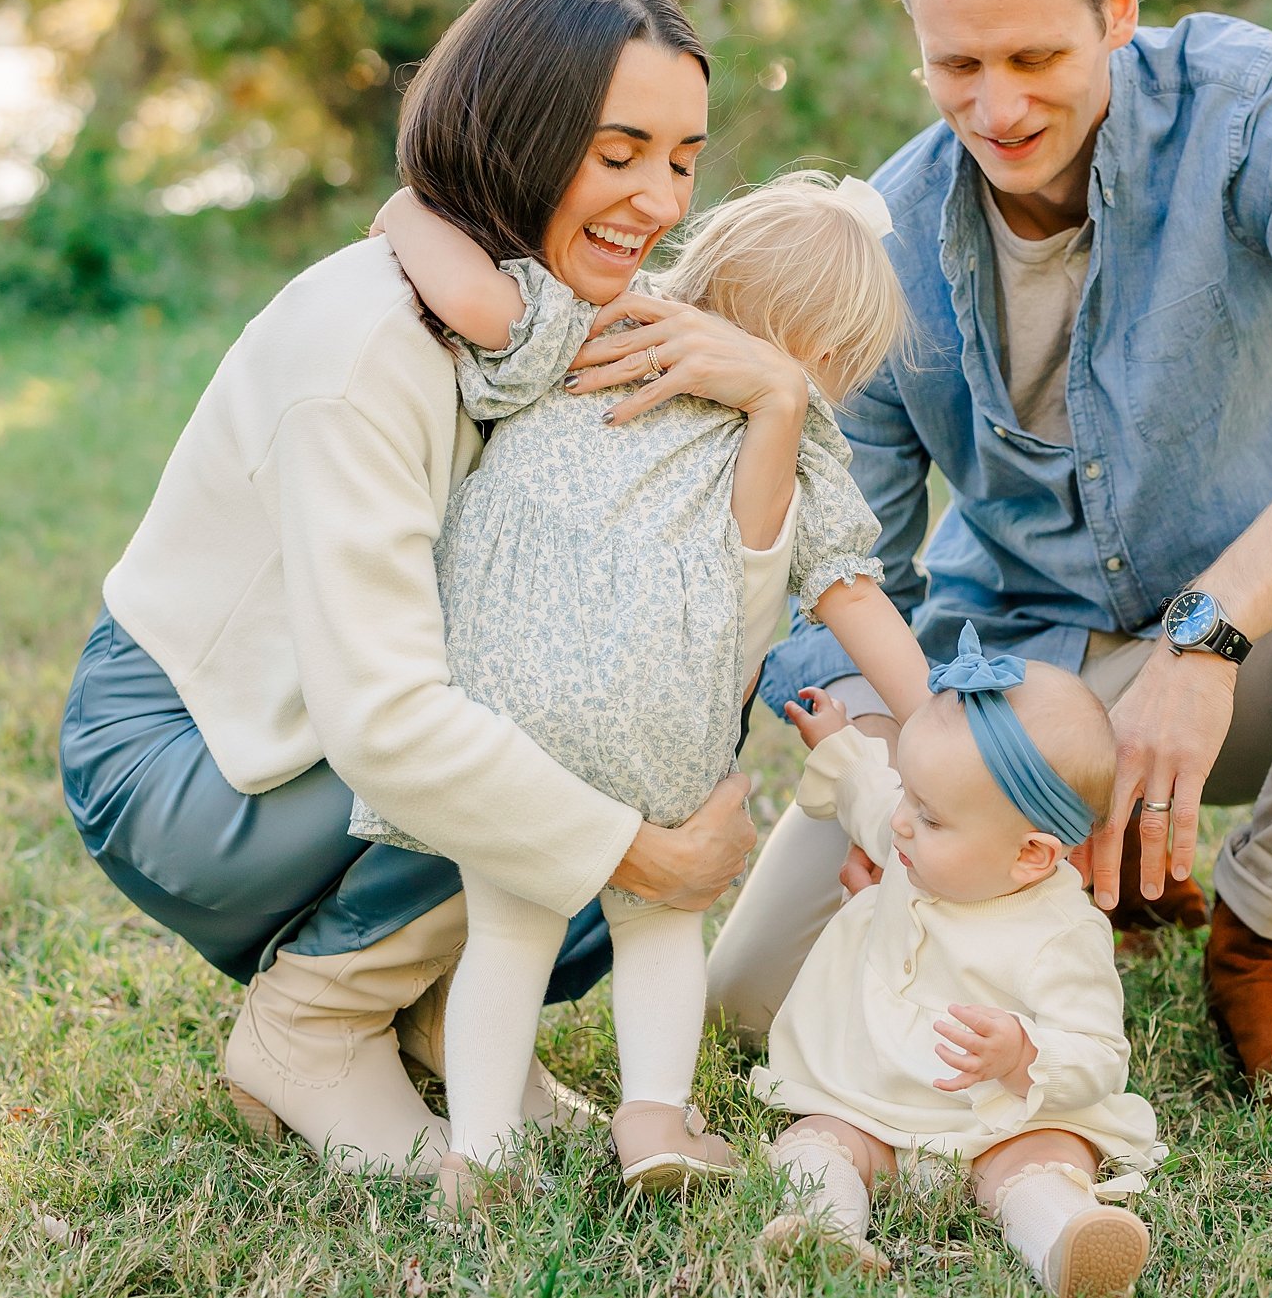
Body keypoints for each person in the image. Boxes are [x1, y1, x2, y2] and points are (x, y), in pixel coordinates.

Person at [709, 0, 1272, 1100]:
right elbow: (849, 562)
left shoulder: (1252, 105)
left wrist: (1207, 635)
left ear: (1116, 7)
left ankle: (1262, 938)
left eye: (1034, 53)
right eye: (956, 63)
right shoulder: (885, 235)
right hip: (1011, 675)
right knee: (758, 1002)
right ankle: (1080, 864)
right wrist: (896, 772)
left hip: (1253, 655)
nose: (996, 106)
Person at [58, 0, 809, 1173]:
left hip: (334, 731)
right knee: (562, 733)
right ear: (515, 135)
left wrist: (774, 394)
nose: (662, 203)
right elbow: (391, 723)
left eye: (681, 160)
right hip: (197, 752)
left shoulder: (554, 308)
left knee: (618, 705)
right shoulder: (360, 352)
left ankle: (446, 1020)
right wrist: (638, 851)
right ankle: (312, 1025)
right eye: (616, 155)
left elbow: (688, 625)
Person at [354, 173, 930, 1208]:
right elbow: (847, 592)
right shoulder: (793, 433)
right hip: (663, 702)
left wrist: (406, 212)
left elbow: (478, 304)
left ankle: (480, 1152)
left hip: (501, 674)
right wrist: (936, 722)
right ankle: (655, 1118)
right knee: (662, 915)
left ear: (701, 268)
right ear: (832, 359)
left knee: (507, 928)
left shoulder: (598, 322)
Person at [755, 626, 1160, 1298]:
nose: (903, 824)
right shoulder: (915, 835)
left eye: (931, 817)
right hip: (873, 1101)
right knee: (818, 1137)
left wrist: (1025, 1051)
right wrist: (840, 746)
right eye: (910, 795)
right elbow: (871, 795)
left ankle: (1063, 1237)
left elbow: (1099, 1052)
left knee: (1047, 1159)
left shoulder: (1061, 933)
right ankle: (826, 1228)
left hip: (996, 1127)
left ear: (1030, 855)